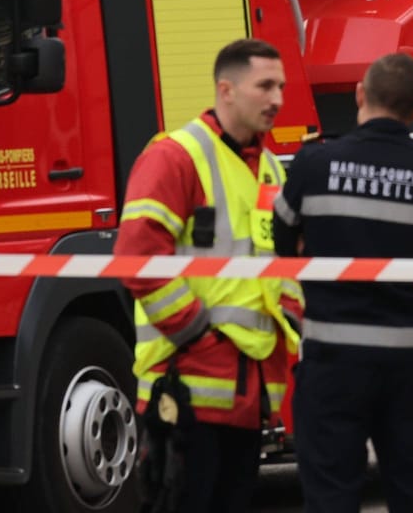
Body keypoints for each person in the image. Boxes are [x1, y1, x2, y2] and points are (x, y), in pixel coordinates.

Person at [116, 38, 304, 513]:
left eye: (280, 86)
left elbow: (282, 267)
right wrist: (195, 333)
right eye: (265, 86)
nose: (278, 99)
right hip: (186, 389)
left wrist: (294, 326)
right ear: (227, 89)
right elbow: (138, 257)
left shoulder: (269, 170)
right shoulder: (175, 156)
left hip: (246, 395)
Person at [272, 52, 413, 513]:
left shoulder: (314, 163)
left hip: (333, 364)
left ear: (360, 93)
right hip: (411, 368)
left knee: (331, 495)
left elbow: (281, 241)